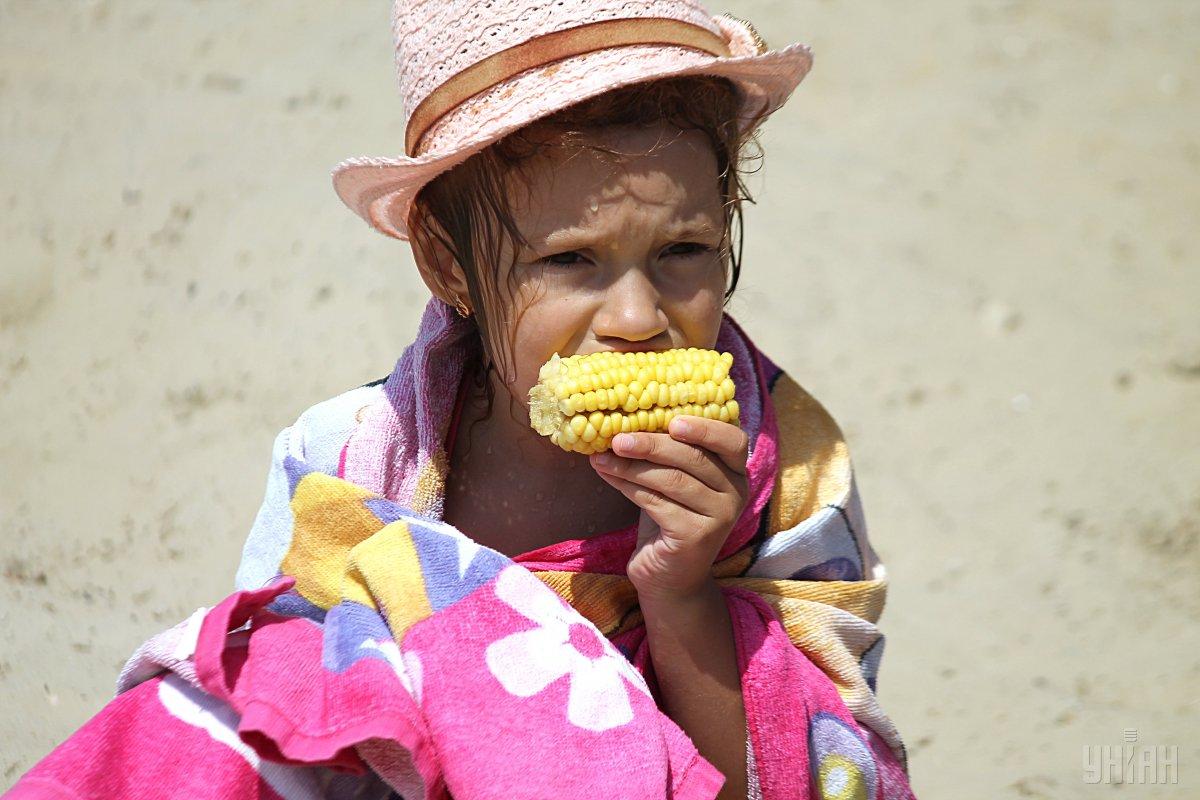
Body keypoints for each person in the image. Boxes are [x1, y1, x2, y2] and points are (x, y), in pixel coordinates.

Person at [5, 1, 918, 799]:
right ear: (448, 266)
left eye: (684, 251)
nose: (638, 319)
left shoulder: (786, 474)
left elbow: (800, 775)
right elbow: (285, 714)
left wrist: (682, 595)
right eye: (571, 260)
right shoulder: (349, 466)